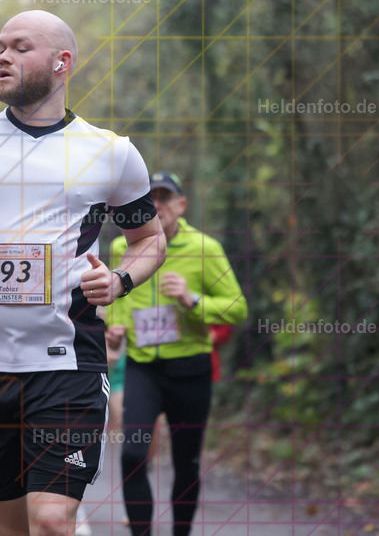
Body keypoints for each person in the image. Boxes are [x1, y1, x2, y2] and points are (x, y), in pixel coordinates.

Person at [0, 10, 167, 536]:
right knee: (12, 529)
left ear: (61, 62)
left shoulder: (111, 152)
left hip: (67, 362)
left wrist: (119, 281)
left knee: (50, 521)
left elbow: (150, 239)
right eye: (1, 46)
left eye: (20, 47)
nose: (2, 56)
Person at [105, 171, 248, 536]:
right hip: (142, 367)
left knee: (186, 461)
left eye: (165, 198)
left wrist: (191, 299)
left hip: (190, 369)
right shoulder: (124, 247)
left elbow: (237, 308)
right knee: (133, 455)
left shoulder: (206, 248)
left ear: (181, 205)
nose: (156, 205)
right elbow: (122, 298)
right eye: (149, 197)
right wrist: (115, 330)